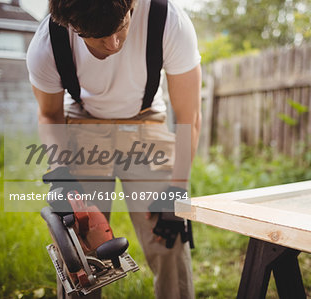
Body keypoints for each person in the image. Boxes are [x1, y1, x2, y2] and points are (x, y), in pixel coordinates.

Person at [26, 0, 201, 298]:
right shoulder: (47, 43)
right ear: (71, 24)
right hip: (84, 123)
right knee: (80, 242)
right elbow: (50, 114)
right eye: (97, 36)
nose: (113, 44)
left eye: (120, 28)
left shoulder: (168, 19)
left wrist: (177, 188)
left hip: (145, 123)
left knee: (168, 232)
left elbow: (189, 116)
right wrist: (61, 176)